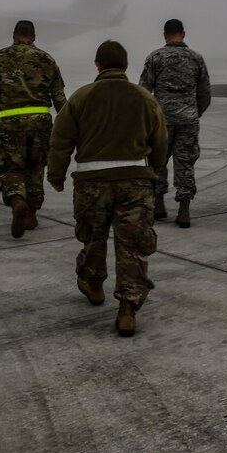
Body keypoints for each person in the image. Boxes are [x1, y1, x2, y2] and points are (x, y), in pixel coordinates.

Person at [47, 40, 168, 337]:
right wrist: (153, 169)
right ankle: (127, 307)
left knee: (94, 238)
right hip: (134, 182)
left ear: (98, 65)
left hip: (92, 182)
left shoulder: (81, 97)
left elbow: (61, 138)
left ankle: (93, 283)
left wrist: (57, 174)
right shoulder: (144, 98)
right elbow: (160, 140)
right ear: (126, 66)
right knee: (132, 245)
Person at [0, 20, 67, 239]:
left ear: (14, 35)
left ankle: (17, 200)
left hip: (10, 124)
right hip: (40, 124)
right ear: (33, 37)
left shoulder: (0, 57)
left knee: (10, 168)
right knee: (36, 166)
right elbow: (59, 97)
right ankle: (32, 213)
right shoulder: (47, 59)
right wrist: (67, 124)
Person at [139, 18, 212, 228]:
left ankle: (159, 204)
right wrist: (195, 112)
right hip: (188, 119)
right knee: (185, 163)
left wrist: (151, 115)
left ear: (164, 35)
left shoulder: (156, 57)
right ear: (184, 33)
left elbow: (144, 90)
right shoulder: (196, 58)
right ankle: (184, 210)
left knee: (158, 161)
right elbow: (205, 91)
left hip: (163, 120)